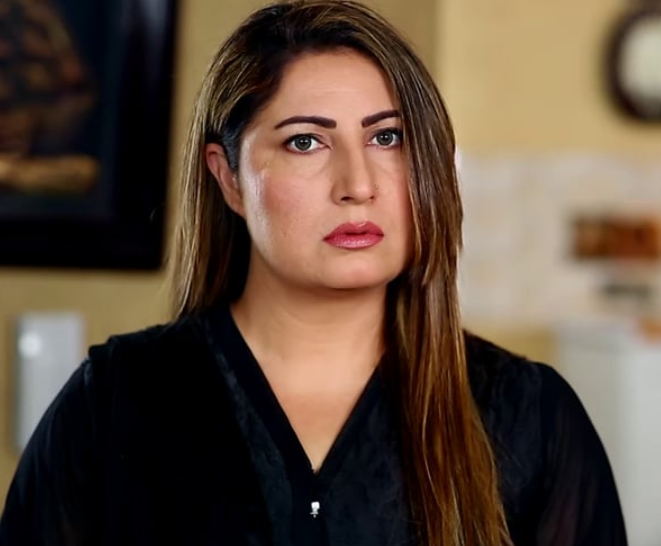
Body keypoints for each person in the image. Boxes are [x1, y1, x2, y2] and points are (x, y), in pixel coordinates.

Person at [0, 1, 627, 545]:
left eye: (388, 138)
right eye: (305, 142)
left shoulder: (532, 419)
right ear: (228, 178)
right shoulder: (112, 405)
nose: (358, 184)